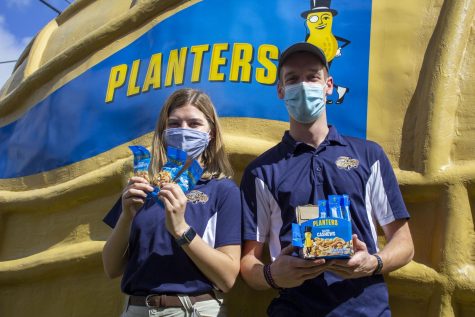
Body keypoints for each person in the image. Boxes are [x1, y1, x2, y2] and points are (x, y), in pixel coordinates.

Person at [240, 42, 414, 316]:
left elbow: (404, 245)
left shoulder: (370, 155)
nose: (304, 86)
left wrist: (374, 263)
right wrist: (274, 275)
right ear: (281, 91)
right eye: (293, 79)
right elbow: (248, 264)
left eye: (312, 77)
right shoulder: (261, 171)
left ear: (328, 85)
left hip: (367, 310)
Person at [102, 88, 241, 317]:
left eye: (194, 124)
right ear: (163, 132)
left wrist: (180, 229)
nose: (183, 131)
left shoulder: (222, 190)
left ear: (211, 134)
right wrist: (127, 216)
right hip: (137, 308)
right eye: (175, 124)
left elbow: (227, 278)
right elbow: (111, 268)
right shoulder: (144, 186)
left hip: (194, 309)